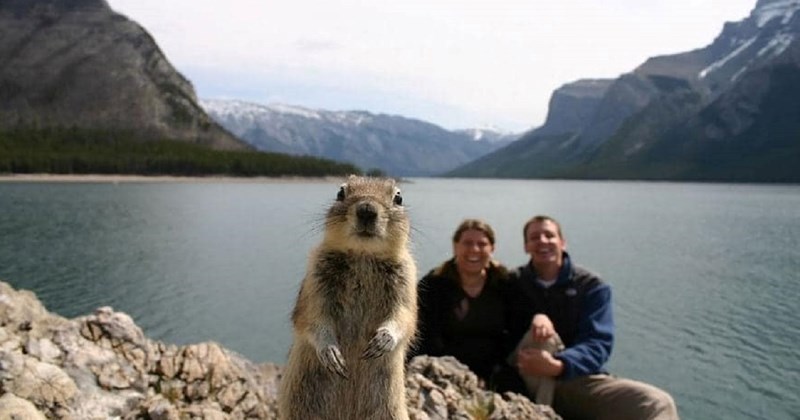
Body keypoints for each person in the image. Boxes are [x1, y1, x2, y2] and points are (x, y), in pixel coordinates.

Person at [508, 215, 679, 420]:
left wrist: (558, 365)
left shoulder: (591, 286)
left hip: (574, 380)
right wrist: (538, 318)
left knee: (656, 402)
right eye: (535, 237)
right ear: (526, 247)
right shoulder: (512, 282)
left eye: (549, 235)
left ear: (562, 243)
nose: (543, 241)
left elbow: (598, 342)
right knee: (542, 339)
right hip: (525, 375)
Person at [410, 219, 519, 391]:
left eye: (482, 244)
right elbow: (422, 335)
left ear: (492, 249)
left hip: (496, 371)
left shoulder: (505, 284)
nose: (474, 249)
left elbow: (520, 327)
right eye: (467, 243)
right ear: (455, 246)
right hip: (444, 371)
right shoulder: (433, 285)